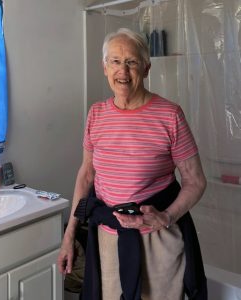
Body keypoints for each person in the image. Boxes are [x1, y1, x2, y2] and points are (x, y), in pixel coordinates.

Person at [58, 28, 207, 300]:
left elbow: (196, 181)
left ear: (146, 68)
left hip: (157, 238)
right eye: (115, 61)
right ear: (105, 68)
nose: (122, 71)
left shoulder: (169, 115)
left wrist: (167, 216)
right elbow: (86, 175)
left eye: (132, 62)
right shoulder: (96, 114)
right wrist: (69, 235)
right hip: (108, 237)